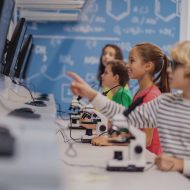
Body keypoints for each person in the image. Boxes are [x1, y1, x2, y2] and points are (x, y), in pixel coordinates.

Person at [67, 41, 190, 177]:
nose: (168, 70)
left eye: (176, 65)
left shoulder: (155, 96)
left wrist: (182, 164)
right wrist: (91, 94)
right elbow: (126, 116)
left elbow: (148, 141)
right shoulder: (166, 102)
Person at [90, 42, 171, 155]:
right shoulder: (140, 93)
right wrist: (111, 137)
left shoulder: (151, 96)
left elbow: (146, 140)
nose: (127, 65)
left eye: (132, 61)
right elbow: (134, 133)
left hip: (150, 159)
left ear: (148, 66)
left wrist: (111, 140)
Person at [81, 59, 132, 129]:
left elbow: (120, 126)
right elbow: (113, 122)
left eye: (106, 73)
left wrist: (92, 126)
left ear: (116, 78)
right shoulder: (116, 95)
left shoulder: (122, 95)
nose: (102, 75)